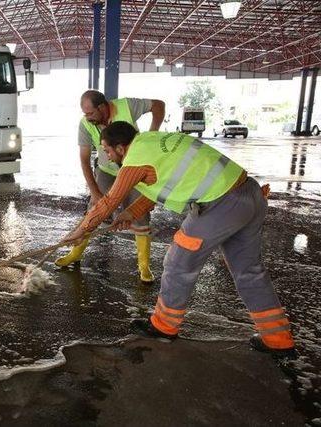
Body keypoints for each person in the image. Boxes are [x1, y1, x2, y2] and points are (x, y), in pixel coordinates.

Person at [63, 121, 295, 356]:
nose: (107, 157)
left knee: (177, 264)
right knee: (249, 271)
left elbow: (107, 202)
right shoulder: (153, 143)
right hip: (251, 195)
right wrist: (130, 213)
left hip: (220, 204)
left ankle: (164, 327)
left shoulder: (134, 159)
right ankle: (278, 340)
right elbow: (160, 185)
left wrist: (80, 230)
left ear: (121, 148)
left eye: (107, 150)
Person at [55, 90, 165, 285]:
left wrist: (152, 133)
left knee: (140, 214)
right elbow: (84, 160)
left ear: (102, 107)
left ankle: (144, 266)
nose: (87, 118)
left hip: (134, 168)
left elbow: (158, 105)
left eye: (90, 113)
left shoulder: (127, 106)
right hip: (106, 171)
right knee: (95, 210)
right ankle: (75, 254)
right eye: (84, 113)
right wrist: (95, 192)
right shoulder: (85, 124)